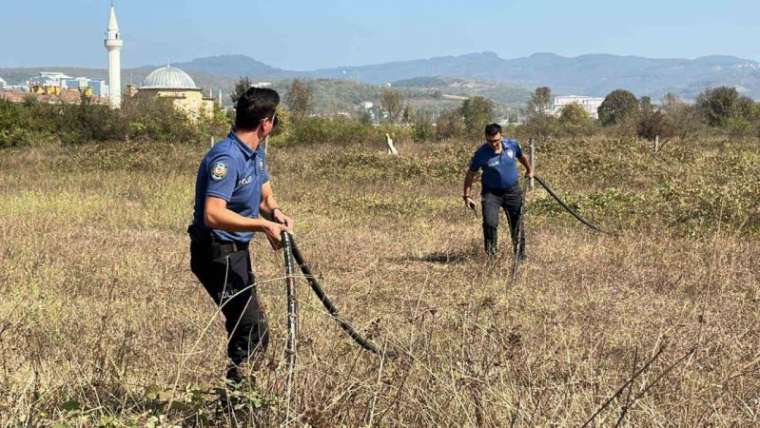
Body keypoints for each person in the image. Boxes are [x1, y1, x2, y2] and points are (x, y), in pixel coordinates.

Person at [187, 87, 293, 384]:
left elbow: (263, 194)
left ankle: (243, 395)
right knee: (250, 327)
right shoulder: (227, 157)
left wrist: (274, 212)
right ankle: (236, 402)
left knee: (251, 325)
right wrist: (262, 225)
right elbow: (213, 213)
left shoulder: (255, 152)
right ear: (266, 123)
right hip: (215, 253)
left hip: (237, 252)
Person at [463, 123, 533, 260]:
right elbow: (470, 174)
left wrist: (529, 170)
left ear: (501, 136)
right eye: (490, 141)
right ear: (486, 138)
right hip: (491, 194)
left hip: (512, 191)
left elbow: (522, 157)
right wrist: (467, 196)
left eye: (496, 140)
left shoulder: (512, 145)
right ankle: (492, 257)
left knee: (517, 223)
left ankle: (520, 257)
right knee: (490, 223)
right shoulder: (480, 154)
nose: (493, 144)